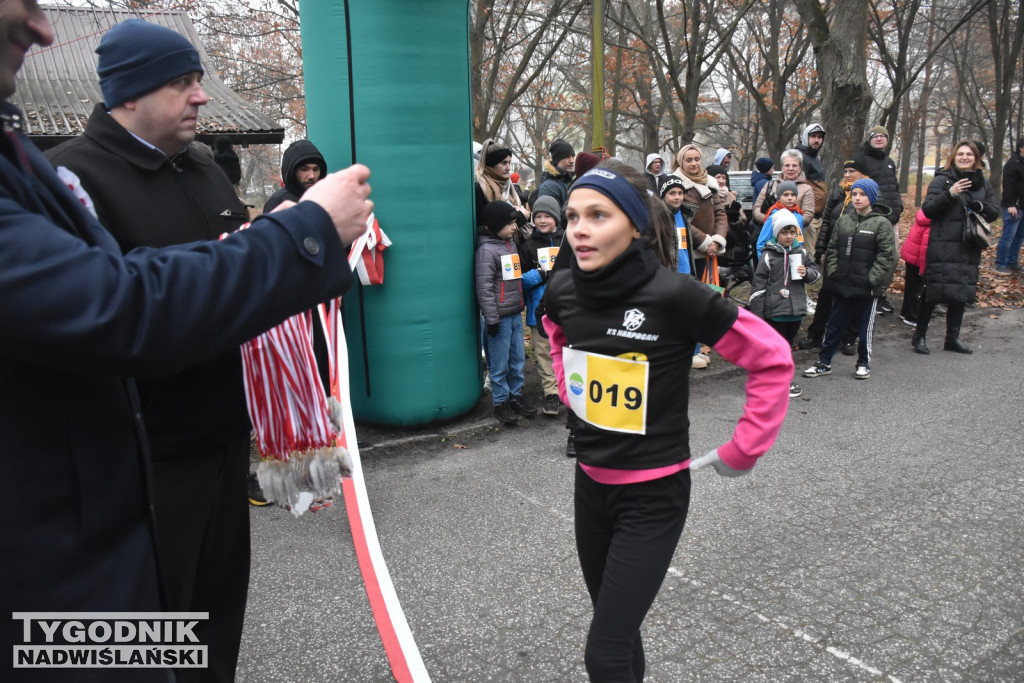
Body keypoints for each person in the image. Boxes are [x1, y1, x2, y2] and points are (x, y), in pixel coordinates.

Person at [0, 3, 371, 679]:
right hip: (152, 459)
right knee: (151, 638)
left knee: (213, 626)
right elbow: (125, 306)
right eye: (182, 83)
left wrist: (291, 248)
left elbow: (233, 284)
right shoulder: (77, 179)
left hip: (224, 440)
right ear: (130, 93)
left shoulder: (204, 167)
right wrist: (293, 242)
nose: (202, 95)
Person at [542, 161, 792, 681]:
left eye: (597, 215)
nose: (579, 229)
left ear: (634, 224)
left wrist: (744, 448)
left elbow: (770, 356)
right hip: (590, 486)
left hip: (653, 496)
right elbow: (555, 327)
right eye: (571, 217)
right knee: (618, 632)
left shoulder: (676, 296)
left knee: (604, 652)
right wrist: (571, 391)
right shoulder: (564, 288)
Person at [911, 141, 999, 355]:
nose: (965, 157)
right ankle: (919, 336)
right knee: (932, 291)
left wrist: (981, 207)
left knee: (961, 291)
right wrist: (949, 193)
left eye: (969, 154)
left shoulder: (983, 184)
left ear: (976, 158)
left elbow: (994, 212)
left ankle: (952, 338)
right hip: (942, 244)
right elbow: (928, 210)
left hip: (969, 245)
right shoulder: (942, 180)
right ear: (954, 156)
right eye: (960, 153)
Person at [803, 178, 895, 381]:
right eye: (854, 194)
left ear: (871, 197)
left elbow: (886, 256)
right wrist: (834, 271)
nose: (857, 198)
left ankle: (863, 362)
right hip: (843, 283)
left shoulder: (881, 223)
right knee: (834, 325)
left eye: (862, 194)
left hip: (867, 288)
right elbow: (833, 248)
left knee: (864, 327)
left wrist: (872, 278)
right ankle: (824, 362)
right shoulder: (844, 221)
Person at [798, 154, 872, 351]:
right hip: (834, 252)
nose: (847, 175)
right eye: (845, 171)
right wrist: (821, 248)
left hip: (856, 255)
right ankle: (816, 334)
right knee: (827, 295)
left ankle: (848, 337)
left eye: (852, 171)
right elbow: (827, 223)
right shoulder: (839, 193)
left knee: (852, 295)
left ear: (863, 174)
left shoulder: (870, 195)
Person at [748, 208, 819, 398]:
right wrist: (758, 315)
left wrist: (807, 273)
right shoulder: (769, 255)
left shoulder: (801, 252)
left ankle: (780, 380)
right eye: (784, 232)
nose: (789, 236)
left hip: (795, 310)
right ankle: (778, 381)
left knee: (787, 347)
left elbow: (815, 274)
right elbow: (758, 286)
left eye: (792, 232)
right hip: (775, 311)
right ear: (776, 233)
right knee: (775, 349)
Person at [476, 201, 532, 425]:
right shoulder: (486, 250)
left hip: (515, 313)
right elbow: (484, 287)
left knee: (517, 358)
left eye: (514, 223)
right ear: (495, 225)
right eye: (509, 224)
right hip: (499, 317)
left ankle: (516, 396)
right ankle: (501, 402)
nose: (514, 227)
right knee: (499, 363)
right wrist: (491, 318)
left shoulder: (510, 244)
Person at [519, 195, 564, 416]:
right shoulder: (528, 246)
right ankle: (551, 393)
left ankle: (569, 390)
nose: (543, 220)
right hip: (539, 310)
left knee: (566, 350)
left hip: (566, 308)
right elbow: (520, 281)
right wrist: (541, 273)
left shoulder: (567, 241)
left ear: (556, 218)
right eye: (538, 216)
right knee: (544, 352)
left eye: (547, 216)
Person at [858, 126, 904, 313]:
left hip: (892, 218)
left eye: (882, 136)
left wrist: (899, 207)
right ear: (869, 139)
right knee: (870, 256)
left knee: (892, 257)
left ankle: (881, 293)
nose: (878, 139)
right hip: (873, 216)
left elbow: (893, 187)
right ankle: (867, 293)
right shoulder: (862, 160)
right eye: (875, 136)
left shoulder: (889, 162)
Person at [668, 143, 727, 280]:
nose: (694, 163)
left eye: (697, 159)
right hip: (688, 251)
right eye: (689, 160)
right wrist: (706, 243)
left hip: (711, 250)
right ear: (681, 162)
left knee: (710, 291)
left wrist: (717, 241)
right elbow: (680, 219)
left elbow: (720, 214)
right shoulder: (675, 186)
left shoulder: (711, 183)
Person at [475, 138, 529, 230]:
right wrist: (521, 217)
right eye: (504, 163)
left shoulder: (508, 185)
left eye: (509, 162)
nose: (508, 168)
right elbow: (485, 226)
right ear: (491, 164)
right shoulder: (479, 189)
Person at [752, 149, 815, 226]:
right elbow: (757, 208)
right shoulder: (770, 185)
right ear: (782, 167)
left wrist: (787, 225)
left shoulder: (806, 189)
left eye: (794, 165)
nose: (790, 169)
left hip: (796, 234)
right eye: (787, 165)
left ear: (800, 168)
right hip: (770, 231)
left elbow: (808, 214)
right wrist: (771, 222)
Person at [264, 138, 328, 212]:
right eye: (304, 169)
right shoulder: (278, 203)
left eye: (315, 169)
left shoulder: (326, 200)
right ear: (292, 171)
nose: (312, 176)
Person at [796, 123, 827, 258]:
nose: (816, 140)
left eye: (819, 137)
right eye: (813, 136)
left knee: (811, 255)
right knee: (807, 256)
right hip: (806, 217)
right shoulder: (800, 158)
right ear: (805, 137)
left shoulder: (815, 158)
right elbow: (799, 186)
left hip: (817, 215)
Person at [995, 138, 1024, 275]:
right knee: (1009, 236)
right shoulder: (1013, 163)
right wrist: (1011, 204)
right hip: (1013, 206)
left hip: (1023, 206)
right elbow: (1008, 185)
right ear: (1021, 148)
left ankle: (1012, 262)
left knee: (1019, 236)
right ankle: (1001, 263)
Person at [755, 180, 806, 257]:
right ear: (779, 197)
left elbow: (799, 240)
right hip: (776, 258)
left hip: (794, 258)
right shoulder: (774, 217)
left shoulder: (799, 216)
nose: (790, 198)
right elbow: (761, 243)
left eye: (793, 195)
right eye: (785, 195)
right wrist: (763, 262)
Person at [899, 209, 931, 327]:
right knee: (917, 287)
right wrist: (923, 271)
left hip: (911, 254)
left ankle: (905, 311)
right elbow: (924, 250)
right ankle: (912, 316)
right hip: (917, 259)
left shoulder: (923, 216)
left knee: (910, 285)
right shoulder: (931, 225)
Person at [537, 138, 576, 208]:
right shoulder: (548, 187)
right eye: (567, 156)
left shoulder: (569, 181)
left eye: (573, 156)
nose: (572, 160)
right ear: (557, 160)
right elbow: (548, 217)